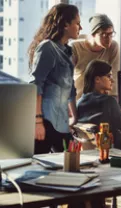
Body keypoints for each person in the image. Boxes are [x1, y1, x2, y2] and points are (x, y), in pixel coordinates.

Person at [29, 3, 81, 154]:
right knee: (38, 169)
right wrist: (37, 121)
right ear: (65, 24)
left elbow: (70, 89)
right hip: (46, 122)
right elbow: (36, 85)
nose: (80, 27)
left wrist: (74, 119)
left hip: (62, 123)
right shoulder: (47, 48)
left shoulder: (68, 52)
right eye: (77, 23)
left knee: (73, 162)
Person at [77, 59, 121, 149]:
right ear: (97, 79)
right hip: (115, 154)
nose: (112, 80)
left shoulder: (79, 102)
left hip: (94, 154)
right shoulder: (109, 101)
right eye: (109, 76)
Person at [71, 14, 119, 100]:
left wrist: (113, 102)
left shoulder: (113, 47)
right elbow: (67, 78)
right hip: (79, 99)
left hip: (101, 101)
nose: (109, 39)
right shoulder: (75, 47)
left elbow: (114, 75)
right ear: (93, 34)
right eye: (104, 35)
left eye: (111, 34)